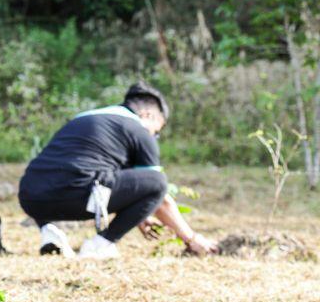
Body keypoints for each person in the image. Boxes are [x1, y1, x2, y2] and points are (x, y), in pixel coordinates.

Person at [18, 82, 218, 259]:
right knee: (157, 181)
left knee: (50, 173)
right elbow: (159, 196)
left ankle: (50, 232)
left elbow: (114, 179)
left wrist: (138, 213)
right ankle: (100, 245)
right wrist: (191, 239)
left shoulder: (83, 119)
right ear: (147, 115)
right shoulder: (138, 129)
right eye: (157, 131)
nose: (154, 137)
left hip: (30, 198)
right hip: (79, 195)